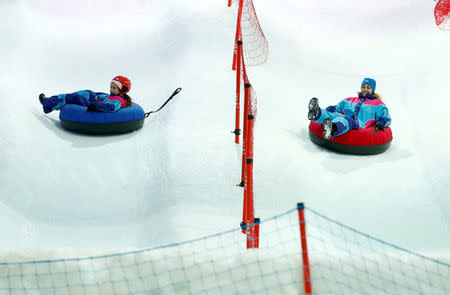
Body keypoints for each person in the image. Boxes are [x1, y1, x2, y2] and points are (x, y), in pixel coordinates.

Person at [307, 78, 391, 140]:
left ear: (372, 90)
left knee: (346, 120)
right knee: (333, 115)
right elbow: (338, 107)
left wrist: (381, 123)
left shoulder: (377, 104)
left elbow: (385, 117)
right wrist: (331, 109)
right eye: (363, 87)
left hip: (359, 124)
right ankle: (316, 113)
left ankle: (332, 129)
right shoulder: (351, 100)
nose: (365, 89)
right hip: (342, 117)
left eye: (368, 88)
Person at [39, 76, 132, 114]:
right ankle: (54, 102)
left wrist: (96, 105)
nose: (111, 89)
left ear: (122, 90)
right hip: (93, 101)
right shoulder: (111, 95)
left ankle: (47, 103)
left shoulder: (118, 101)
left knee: (76, 97)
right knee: (87, 92)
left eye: (114, 88)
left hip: (91, 106)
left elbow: (112, 107)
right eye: (111, 87)